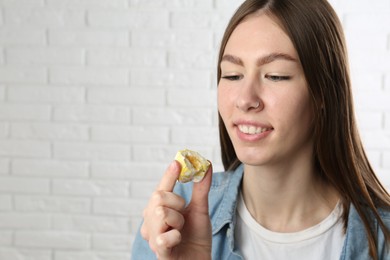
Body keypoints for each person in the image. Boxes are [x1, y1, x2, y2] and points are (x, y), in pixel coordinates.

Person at [131, 0, 390, 259]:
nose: (245, 99)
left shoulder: (383, 239)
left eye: (275, 76)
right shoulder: (174, 218)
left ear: (324, 93)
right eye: (233, 75)